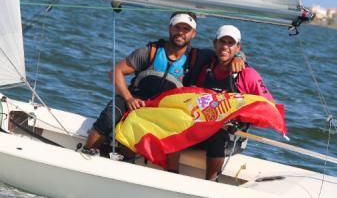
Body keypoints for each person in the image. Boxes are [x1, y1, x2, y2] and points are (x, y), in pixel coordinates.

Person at [83, 13, 245, 167]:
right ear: (170, 28)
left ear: (193, 34)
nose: (180, 33)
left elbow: (224, 53)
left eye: (186, 29)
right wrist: (129, 99)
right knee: (109, 117)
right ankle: (85, 153)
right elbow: (116, 72)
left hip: (163, 110)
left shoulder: (198, 57)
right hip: (134, 100)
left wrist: (240, 57)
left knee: (171, 127)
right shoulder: (150, 51)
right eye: (177, 28)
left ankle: (160, 170)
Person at [194, 25, 275, 181]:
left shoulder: (249, 74)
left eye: (230, 43)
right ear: (214, 44)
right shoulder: (206, 68)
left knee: (216, 134)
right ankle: (170, 175)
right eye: (222, 42)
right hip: (202, 127)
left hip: (231, 136)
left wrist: (240, 112)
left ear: (238, 47)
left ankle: (210, 183)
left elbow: (269, 105)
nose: (225, 47)